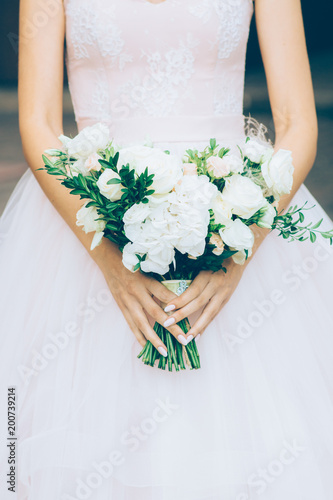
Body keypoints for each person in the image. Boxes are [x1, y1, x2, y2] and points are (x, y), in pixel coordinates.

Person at [1, 0, 333, 498]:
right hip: (91, 222)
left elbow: (298, 123)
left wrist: (241, 246)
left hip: (235, 213)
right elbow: (38, 123)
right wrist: (110, 263)